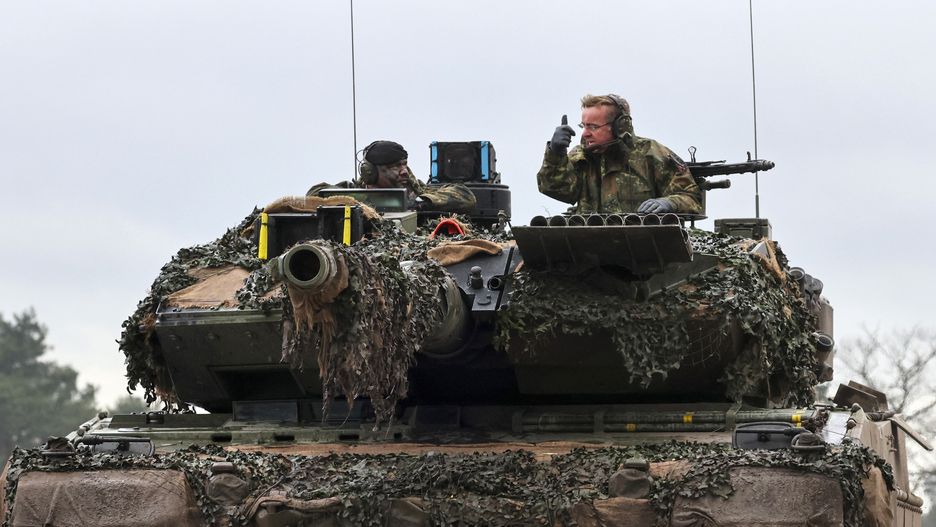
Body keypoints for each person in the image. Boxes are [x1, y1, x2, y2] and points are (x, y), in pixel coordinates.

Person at [537, 94, 702, 215]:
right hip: (590, 249)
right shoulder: (582, 157)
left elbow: (692, 198)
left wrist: (669, 203)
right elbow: (557, 190)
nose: (585, 134)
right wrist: (556, 154)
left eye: (593, 127)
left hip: (645, 249)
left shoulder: (651, 154)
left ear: (621, 126)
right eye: (584, 126)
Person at [308, 140, 476, 214]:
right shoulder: (351, 192)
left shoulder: (415, 192)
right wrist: (358, 202)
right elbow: (315, 194)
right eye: (395, 166)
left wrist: (421, 203)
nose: (404, 171)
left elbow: (465, 195)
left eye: (404, 164)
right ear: (371, 172)